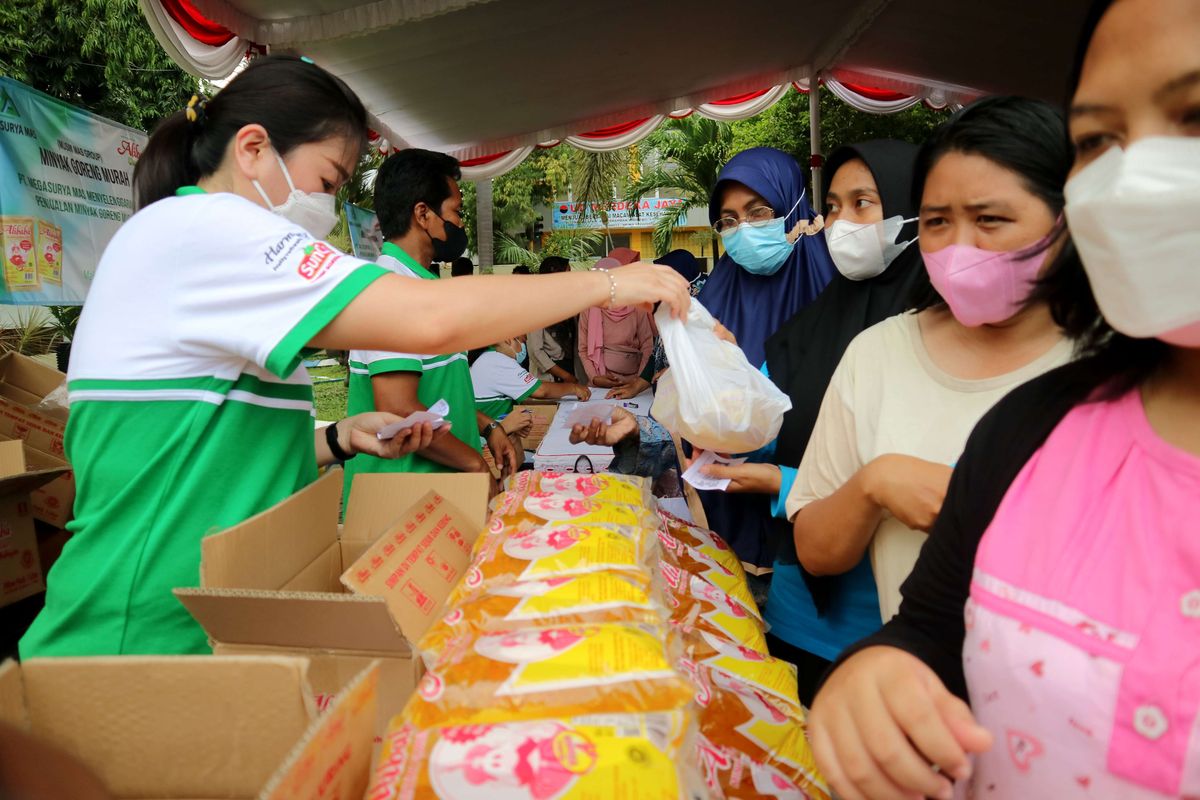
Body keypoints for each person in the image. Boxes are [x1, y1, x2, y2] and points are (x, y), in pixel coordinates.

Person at [18, 55, 689, 658]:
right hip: (141, 634)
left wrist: (339, 436)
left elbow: (198, 441)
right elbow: (428, 321)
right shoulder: (207, 230)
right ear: (253, 148)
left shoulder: (187, 239)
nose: (330, 205)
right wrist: (612, 283)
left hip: (199, 616)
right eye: (328, 179)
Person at [810, 3, 1200, 798]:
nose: (1137, 178)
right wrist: (873, 675)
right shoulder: (1035, 425)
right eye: (1100, 140)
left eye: (1194, 116)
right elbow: (927, 628)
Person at [695, 139, 930, 705]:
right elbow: (765, 429)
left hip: (895, 618)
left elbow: (925, 481)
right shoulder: (811, 324)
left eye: (863, 204)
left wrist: (781, 483)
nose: (841, 224)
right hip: (795, 606)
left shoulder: (938, 328)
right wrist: (722, 382)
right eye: (836, 206)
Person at [342, 149, 518, 506]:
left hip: (435, 494)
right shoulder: (391, 289)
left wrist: (486, 425)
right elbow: (399, 407)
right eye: (455, 211)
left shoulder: (417, 286)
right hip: (400, 502)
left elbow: (434, 398)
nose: (461, 224)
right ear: (423, 214)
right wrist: (474, 464)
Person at [694, 147, 835, 572]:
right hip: (729, 532)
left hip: (818, 530)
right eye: (729, 220)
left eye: (758, 212)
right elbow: (694, 415)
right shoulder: (711, 300)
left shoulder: (836, 287)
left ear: (793, 206)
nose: (744, 230)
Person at [603, 249, 706, 400]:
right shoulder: (671, 302)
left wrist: (676, 370)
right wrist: (636, 386)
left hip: (695, 398)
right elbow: (659, 350)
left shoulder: (706, 306)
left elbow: (712, 354)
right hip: (667, 397)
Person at [472, 335, 590, 431]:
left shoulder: (488, 357)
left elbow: (534, 385)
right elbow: (541, 390)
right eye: (522, 341)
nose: (523, 347)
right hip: (489, 444)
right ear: (509, 339)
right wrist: (573, 388)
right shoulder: (497, 361)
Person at [578, 255, 655, 387]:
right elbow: (583, 349)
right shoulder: (589, 309)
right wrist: (595, 378)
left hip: (632, 382)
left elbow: (648, 345)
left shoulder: (636, 306)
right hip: (600, 381)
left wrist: (637, 381)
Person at [526, 256, 582, 385]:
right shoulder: (536, 306)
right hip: (550, 376)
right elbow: (535, 351)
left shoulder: (571, 303)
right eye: (567, 273)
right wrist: (566, 376)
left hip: (572, 371)